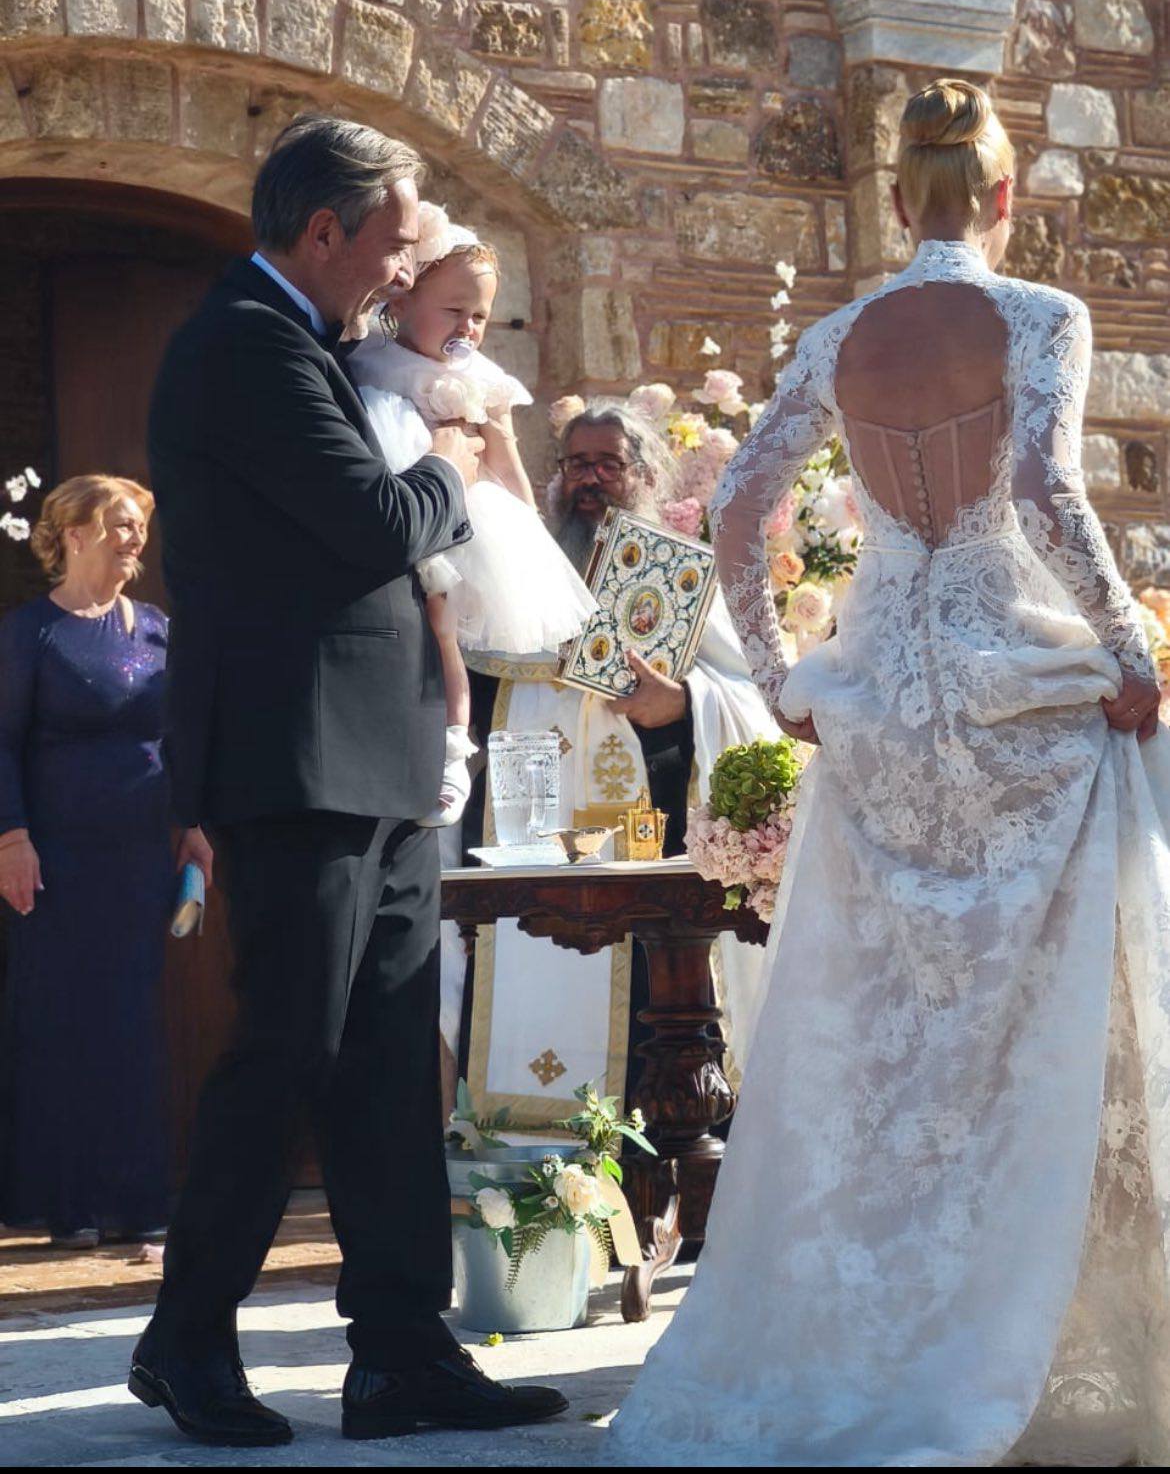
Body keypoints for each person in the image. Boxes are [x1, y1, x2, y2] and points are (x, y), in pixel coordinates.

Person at [609, 77, 1170, 1467]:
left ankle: (885, 1329)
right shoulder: (1041, 317)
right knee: (1051, 1020)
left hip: (880, 706)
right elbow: (1043, 489)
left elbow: (737, 509)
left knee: (894, 1028)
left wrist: (778, 676)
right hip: (1014, 699)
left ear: (898, 194)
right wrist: (1127, 649)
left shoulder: (838, 335)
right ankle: (1034, 1338)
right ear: (1002, 194)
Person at [132, 114, 566, 1448]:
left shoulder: (319, 344)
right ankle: (186, 1340)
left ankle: (400, 1352)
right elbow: (377, 524)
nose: (402, 268)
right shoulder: (245, 346)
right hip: (295, 759)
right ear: (324, 231)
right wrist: (450, 461)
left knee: (386, 1065)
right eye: (391, 242)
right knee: (287, 1049)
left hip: (380, 756)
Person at [455, 401, 779, 1123]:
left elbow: (756, 702)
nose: (590, 479)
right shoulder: (522, 576)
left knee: (652, 1021)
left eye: (609, 464)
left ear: (646, 475)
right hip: (531, 842)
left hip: (650, 846)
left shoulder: (680, 577)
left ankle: (657, 1161)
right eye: (577, 464)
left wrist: (683, 702)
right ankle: (534, 1163)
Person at [0, 475, 211, 1248]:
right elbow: (0, 743)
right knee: (62, 1023)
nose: (135, 538)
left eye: (139, 526)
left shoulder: (155, 628)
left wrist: (194, 827)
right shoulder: (31, 633)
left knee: (129, 1024)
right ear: (75, 533)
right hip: (55, 861)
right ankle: (71, 1204)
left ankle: (136, 1200)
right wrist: (10, 838)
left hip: (138, 858)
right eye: (120, 524)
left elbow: (180, 737)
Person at [347, 201, 595, 827]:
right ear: (402, 301)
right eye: (454, 310)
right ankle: (417, 745)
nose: (469, 328)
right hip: (408, 504)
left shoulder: (482, 377)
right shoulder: (371, 363)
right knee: (424, 629)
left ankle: (455, 748)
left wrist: (528, 529)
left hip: (470, 521)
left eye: (480, 316)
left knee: (447, 631)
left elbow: (506, 461)